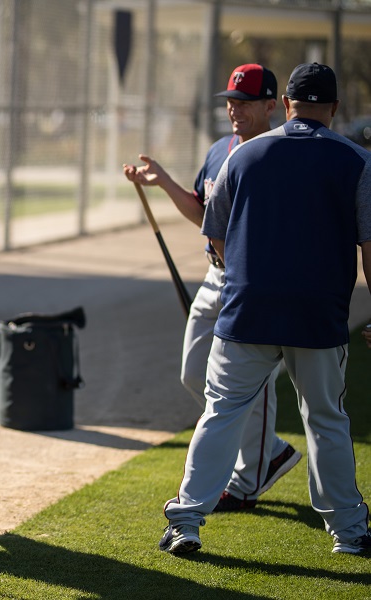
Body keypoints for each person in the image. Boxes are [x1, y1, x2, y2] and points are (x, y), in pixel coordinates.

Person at [160, 62, 371, 555]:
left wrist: (246, 278)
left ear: (288, 103)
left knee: (221, 413)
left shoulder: (243, 154)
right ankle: (349, 531)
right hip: (318, 314)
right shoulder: (358, 160)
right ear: (334, 109)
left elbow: (212, 233)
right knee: (326, 420)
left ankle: (186, 520)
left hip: (247, 308)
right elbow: (369, 249)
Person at [123, 64, 301, 511]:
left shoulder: (280, 152)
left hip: (253, 283)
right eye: (230, 101)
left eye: (244, 102)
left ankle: (250, 474)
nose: (234, 109)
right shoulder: (221, 148)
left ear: (269, 106)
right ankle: (273, 450)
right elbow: (206, 214)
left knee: (250, 380)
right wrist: (163, 181)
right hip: (215, 275)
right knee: (194, 372)